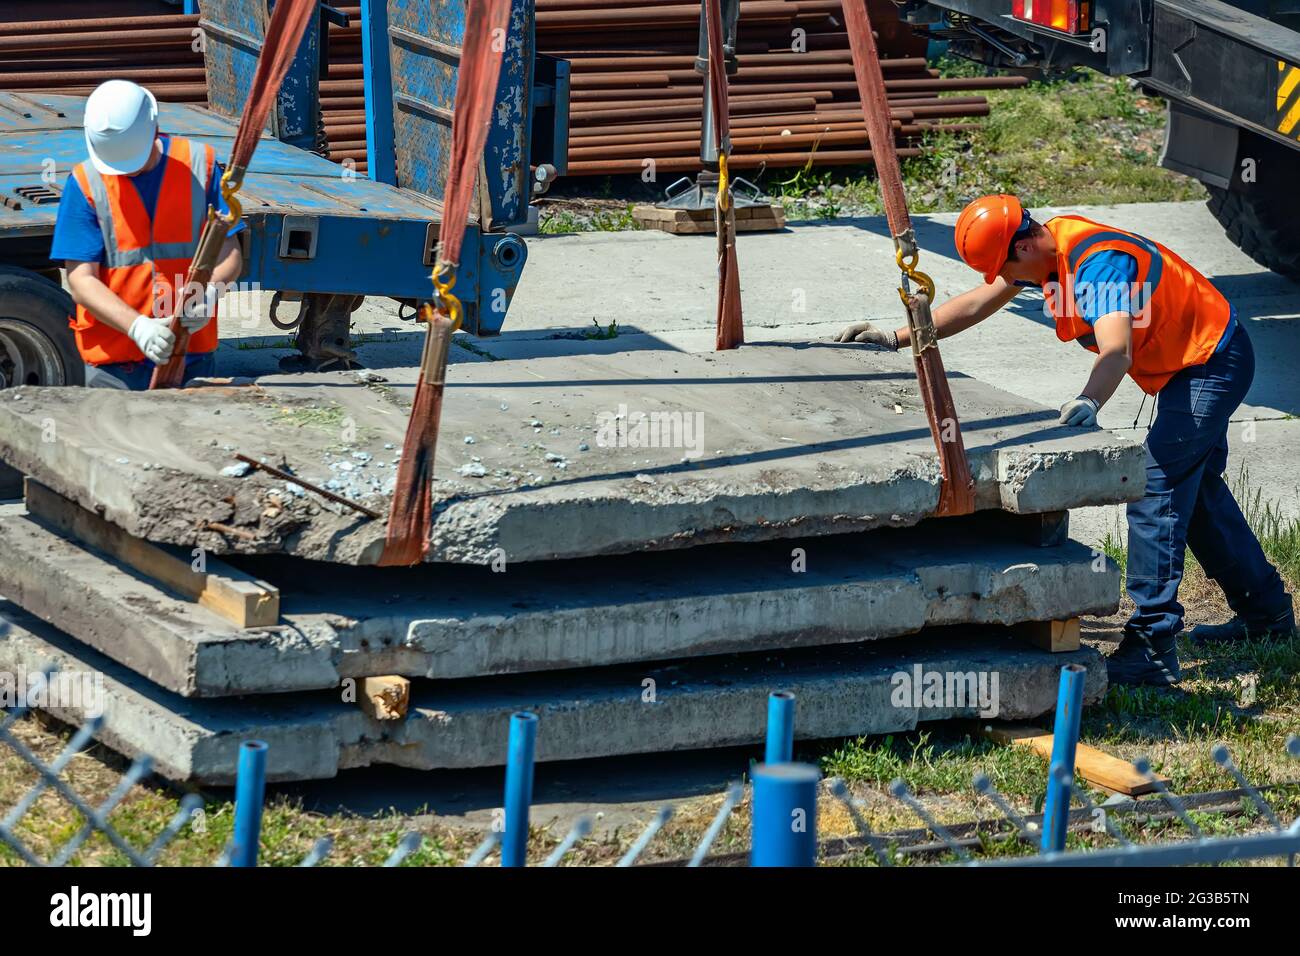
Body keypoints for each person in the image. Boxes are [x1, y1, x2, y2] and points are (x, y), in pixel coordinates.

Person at [836, 194, 1294, 685]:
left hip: (1211, 361)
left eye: (1008, 268)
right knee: (1196, 491)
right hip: (1192, 360)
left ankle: (1152, 647)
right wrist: (898, 337)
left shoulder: (1099, 268)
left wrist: (1089, 401)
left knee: (1157, 487)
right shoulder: (1046, 247)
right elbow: (976, 302)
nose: (1012, 281)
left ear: (1026, 244)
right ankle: (1266, 616)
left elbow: (1116, 350)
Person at [50, 79, 244, 389]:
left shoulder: (200, 166)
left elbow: (230, 254)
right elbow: (80, 280)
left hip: (191, 359)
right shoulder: (85, 183)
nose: (124, 172)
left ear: (155, 129)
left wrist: (210, 294)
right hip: (113, 368)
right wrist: (138, 327)